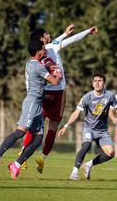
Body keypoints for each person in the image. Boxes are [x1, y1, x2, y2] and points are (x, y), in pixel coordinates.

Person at [19, 24, 98, 173]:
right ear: (42, 38)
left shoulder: (38, 54)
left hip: (43, 91)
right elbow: (73, 39)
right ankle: (42, 158)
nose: (49, 35)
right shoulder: (51, 47)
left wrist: (64, 33)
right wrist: (87, 31)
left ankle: (23, 154)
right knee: (53, 128)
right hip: (57, 91)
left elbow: (67, 38)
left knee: (35, 125)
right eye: (47, 34)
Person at [0, 40, 62, 179]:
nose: (45, 50)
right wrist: (57, 72)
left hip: (38, 105)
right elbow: (56, 82)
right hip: (32, 103)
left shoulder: (30, 63)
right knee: (20, 132)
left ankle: (16, 164)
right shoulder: (38, 66)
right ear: (38, 51)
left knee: (38, 139)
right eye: (43, 48)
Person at [58, 73, 117, 180]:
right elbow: (76, 113)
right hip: (89, 128)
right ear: (92, 83)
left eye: (100, 81)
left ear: (104, 83)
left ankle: (89, 164)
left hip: (102, 131)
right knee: (87, 144)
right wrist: (66, 125)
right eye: (95, 81)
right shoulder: (87, 97)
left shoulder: (109, 96)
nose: (97, 83)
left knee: (111, 153)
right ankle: (74, 172)